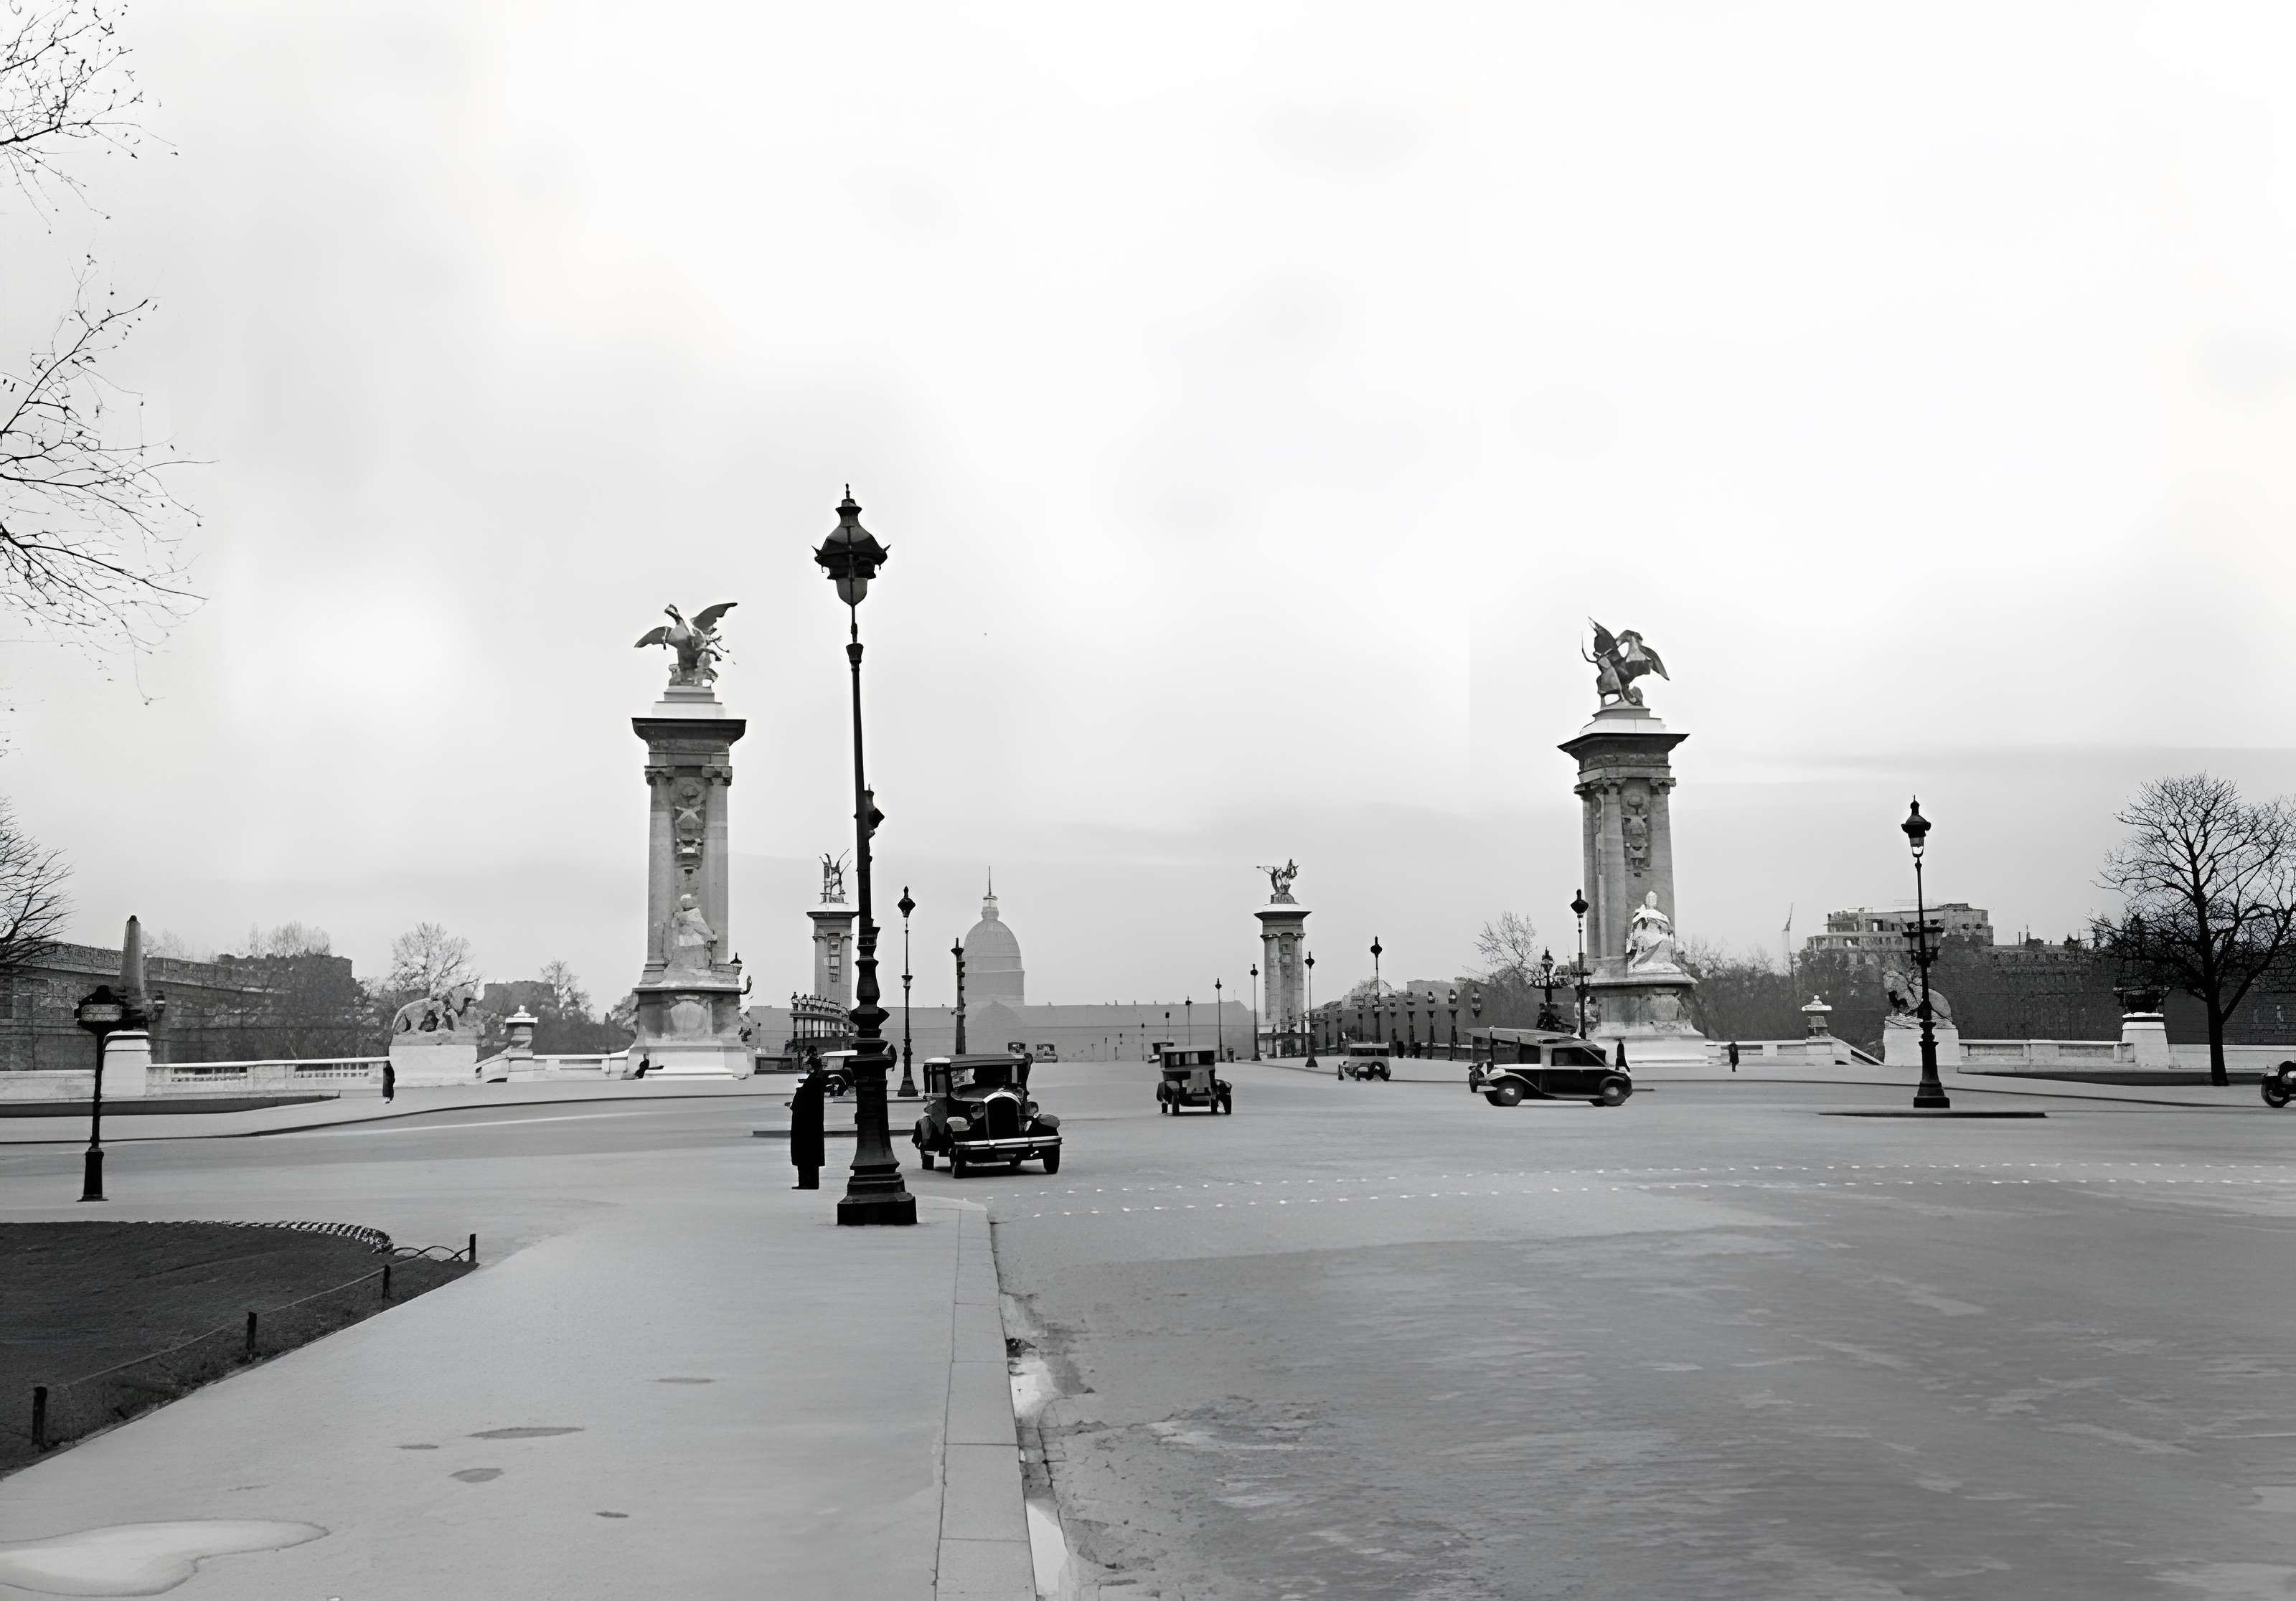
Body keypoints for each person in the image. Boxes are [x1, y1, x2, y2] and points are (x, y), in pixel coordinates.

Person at [789, 1058, 827, 1191]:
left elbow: (805, 1097)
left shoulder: (814, 1079)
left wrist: (797, 1097)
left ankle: (806, 1182)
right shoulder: (817, 1078)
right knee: (811, 1155)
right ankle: (811, 1182)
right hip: (813, 1123)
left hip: (806, 1123)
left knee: (805, 1153)